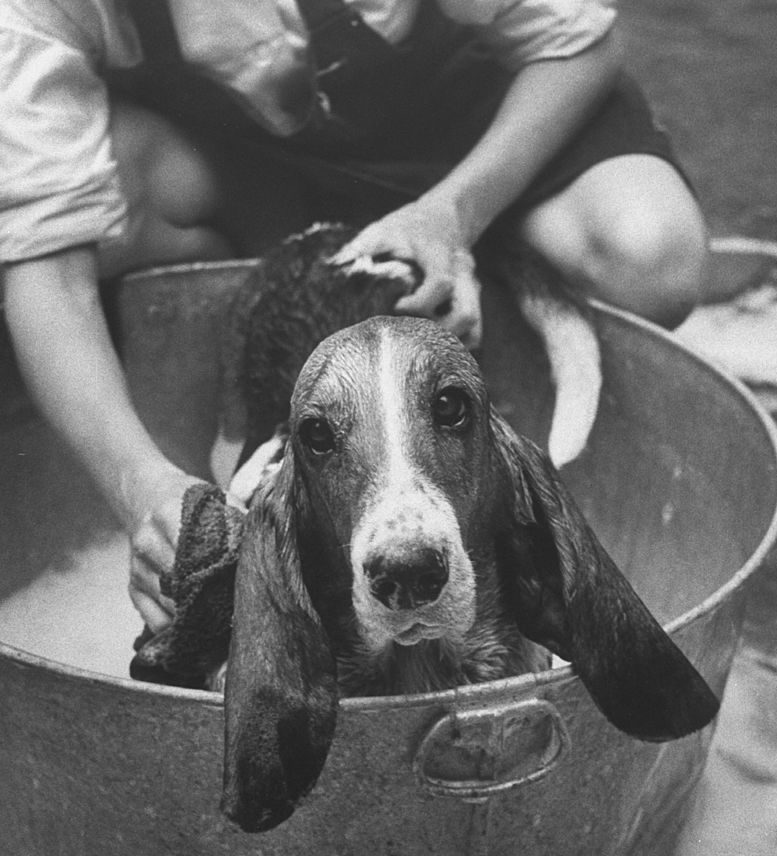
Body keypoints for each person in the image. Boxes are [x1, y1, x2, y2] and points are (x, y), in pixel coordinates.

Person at [0, 0, 707, 635]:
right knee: (70, 200)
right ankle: (288, 284)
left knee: (651, 254)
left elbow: (582, 43)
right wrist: (139, 484)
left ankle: (481, 250)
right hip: (249, 160)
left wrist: (453, 212)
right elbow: (46, 268)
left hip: (459, 127)